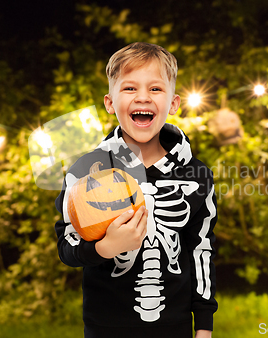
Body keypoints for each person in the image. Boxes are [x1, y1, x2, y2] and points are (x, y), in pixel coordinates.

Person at [54, 42, 218, 338]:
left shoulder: (196, 175)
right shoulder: (86, 171)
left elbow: (201, 250)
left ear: (173, 103)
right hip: (104, 328)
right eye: (129, 88)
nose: (143, 96)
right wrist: (105, 248)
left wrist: (203, 327)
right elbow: (66, 247)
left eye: (155, 89)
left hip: (175, 328)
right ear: (109, 102)